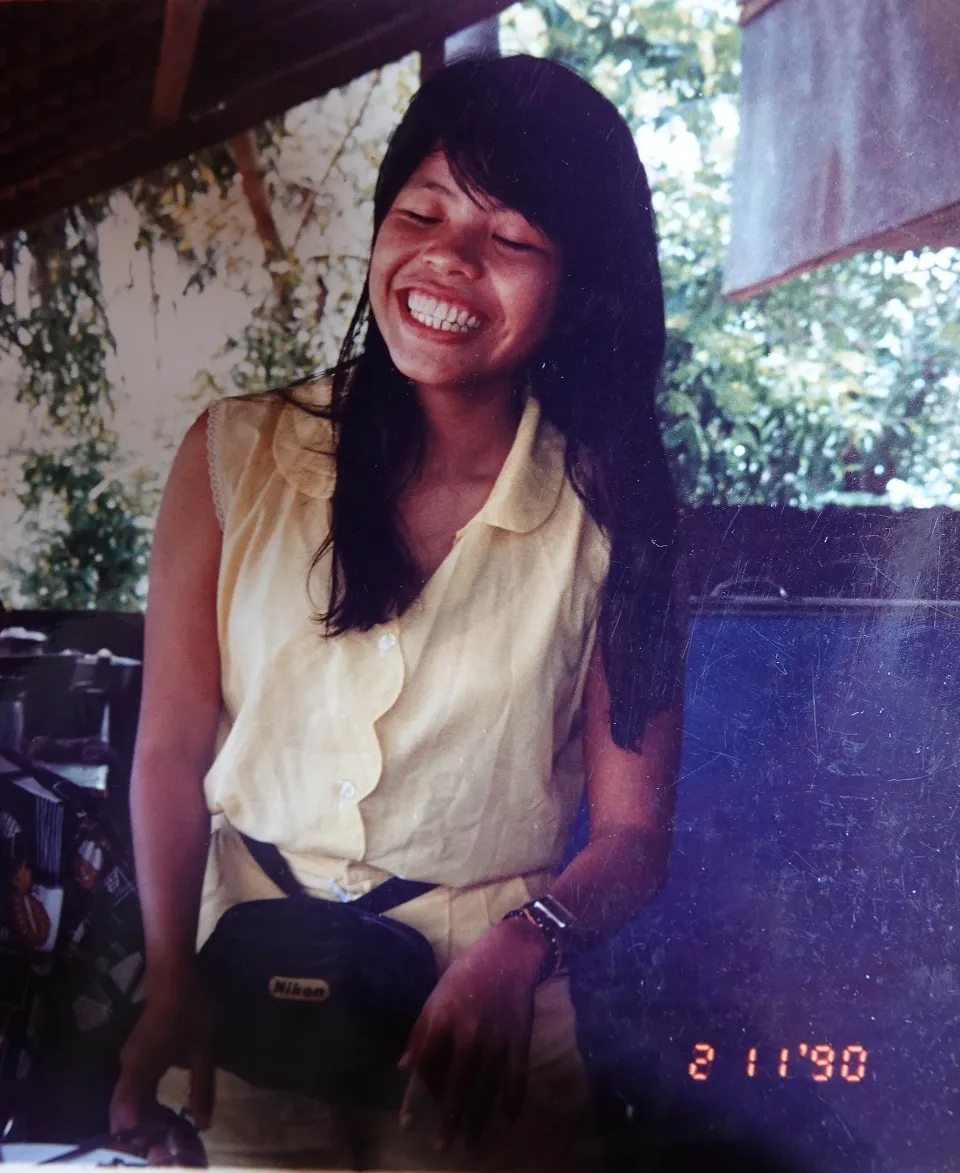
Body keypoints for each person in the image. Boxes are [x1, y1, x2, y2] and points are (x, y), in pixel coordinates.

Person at [109, 54, 686, 1170]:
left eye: (511, 238)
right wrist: (169, 980)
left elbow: (635, 837)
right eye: (421, 212)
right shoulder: (235, 458)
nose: (448, 259)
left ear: (582, 283)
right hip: (245, 1002)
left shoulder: (616, 514)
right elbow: (171, 752)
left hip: (487, 1046)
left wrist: (525, 946)